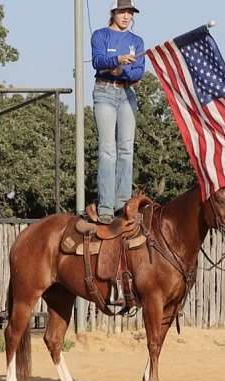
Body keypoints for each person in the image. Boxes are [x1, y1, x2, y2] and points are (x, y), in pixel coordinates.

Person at [91, 0, 145, 224]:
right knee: (107, 151)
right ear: (113, 13)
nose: (126, 16)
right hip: (104, 92)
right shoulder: (100, 35)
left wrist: (118, 69)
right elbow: (98, 61)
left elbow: (138, 72)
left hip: (127, 95)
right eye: (122, 12)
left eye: (129, 13)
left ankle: (123, 203)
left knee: (126, 150)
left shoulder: (136, 41)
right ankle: (105, 207)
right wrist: (117, 61)